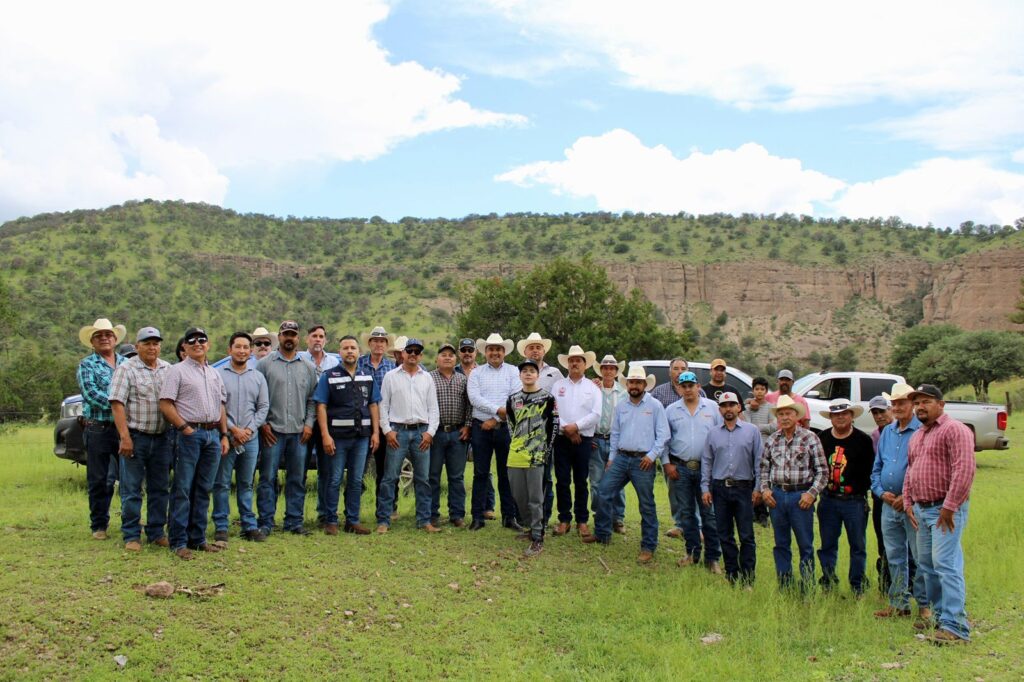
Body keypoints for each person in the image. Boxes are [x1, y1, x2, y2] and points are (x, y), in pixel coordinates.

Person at [903, 384, 975, 645]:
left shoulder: (955, 430)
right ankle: (940, 617)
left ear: (941, 404)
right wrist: (908, 501)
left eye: (926, 401)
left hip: (944, 510)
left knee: (946, 564)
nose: (920, 407)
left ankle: (956, 626)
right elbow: (911, 470)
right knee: (927, 566)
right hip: (922, 510)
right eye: (917, 403)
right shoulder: (918, 435)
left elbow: (964, 469)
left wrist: (950, 506)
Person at [584, 366, 669, 564]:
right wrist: (612, 458)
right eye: (632, 382)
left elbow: (664, 434)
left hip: (643, 461)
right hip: (621, 458)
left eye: (638, 382)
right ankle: (603, 533)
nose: (635, 386)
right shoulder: (621, 406)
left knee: (646, 504)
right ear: (627, 384)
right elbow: (615, 433)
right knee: (603, 491)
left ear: (645, 385)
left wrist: (652, 455)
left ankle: (648, 546)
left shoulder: (655, 406)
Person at [159, 326, 229, 560]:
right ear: (184, 347)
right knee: (183, 488)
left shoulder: (214, 373)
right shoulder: (177, 371)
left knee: (204, 488)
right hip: (189, 434)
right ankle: (178, 541)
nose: (197, 343)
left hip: (212, 434)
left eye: (202, 339)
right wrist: (184, 428)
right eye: (192, 341)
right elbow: (165, 403)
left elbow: (221, 405)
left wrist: (224, 434)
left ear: (208, 344)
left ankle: (197, 538)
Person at [108, 326, 171, 551]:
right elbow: (117, 404)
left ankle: (156, 532)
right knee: (132, 489)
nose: (152, 347)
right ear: (137, 346)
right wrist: (124, 437)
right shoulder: (126, 369)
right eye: (147, 343)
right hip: (136, 437)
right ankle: (132, 535)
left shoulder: (168, 369)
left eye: (155, 343)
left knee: (160, 488)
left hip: (162, 438)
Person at [872, 383, 929, 624]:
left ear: (912, 405)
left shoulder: (922, 431)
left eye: (902, 403)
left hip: (912, 505)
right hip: (888, 504)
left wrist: (907, 497)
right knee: (894, 555)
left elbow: (923, 470)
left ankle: (925, 605)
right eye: (894, 403)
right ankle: (899, 603)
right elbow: (877, 468)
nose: (897, 407)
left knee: (920, 555)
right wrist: (880, 492)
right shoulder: (887, 432)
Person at [256, 321, 318, 536]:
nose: (289, 338)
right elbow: (256, 397)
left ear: (297, 338)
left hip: (299, 432)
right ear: (279, 337)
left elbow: (312, 399)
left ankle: (294, 522)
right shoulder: (265, 364)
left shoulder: (308, 367)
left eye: (293, 334)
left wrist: (309, 424)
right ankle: (265, 522)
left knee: (297, 478)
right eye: (285, 334)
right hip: (272, 431)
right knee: (267, 478)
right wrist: (263, 424)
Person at [760, 395, 828, 589]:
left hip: (801, 496)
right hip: (777, 496)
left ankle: (807, 587)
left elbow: (823, 471)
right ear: (777, 418)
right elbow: (763, 469)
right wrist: (765, 490)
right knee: (781, 544)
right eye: (781, 414)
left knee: (805, 544)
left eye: (788, 413)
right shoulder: (772, 440)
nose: (784, 417)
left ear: (797, 415)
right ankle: (785, 585)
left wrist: (811, 493)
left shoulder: (810, 438)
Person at [314, 335, 379, 536]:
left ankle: (352, 521)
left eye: (353, 348)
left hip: (361, 438)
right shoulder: (329, 376)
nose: (349, 351)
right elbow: (321, 406)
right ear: (339, 352)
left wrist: (376, 433)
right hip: (337, 438)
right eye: (345, 348)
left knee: (356, 480)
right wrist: (325, 435)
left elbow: (373, 404)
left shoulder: (367, 376)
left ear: (359, 352)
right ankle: (331, 521)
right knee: (334, 479)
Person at [376, 338, 440, 533]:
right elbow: (383, 406)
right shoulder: (390, 376)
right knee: (390, 477)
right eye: (409, 351)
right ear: (402, 354)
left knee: (423, 479)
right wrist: (387, 431)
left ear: (421, 355)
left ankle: (424, 520)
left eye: (416, 351)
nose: (413, 354)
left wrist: (430, 432)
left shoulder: (427, 378)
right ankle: (384, 520)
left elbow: (433, 408)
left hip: (421, 432)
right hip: (398, 431)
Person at [701, 392, 762, 586]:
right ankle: (732, 574)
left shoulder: (752, 431)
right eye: (724, 405)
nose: (728, 409)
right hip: (720, 488)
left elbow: (759, 461)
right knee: (725, 534)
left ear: (739, 407)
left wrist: (758, 488)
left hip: (744, 488)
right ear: (719, 410)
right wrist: (705, 488)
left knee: (746, 535)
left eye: (732, 405)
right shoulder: (713, 433)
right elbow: (707, 461)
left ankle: (748, 578)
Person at [664, 371, 723, 572]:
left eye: (691, 385)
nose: (688, 389)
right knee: (686, 513)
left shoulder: (712, 408)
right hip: (680, 468)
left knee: (709, 514)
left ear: (698, 386)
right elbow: (664, 439)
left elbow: (721, 436)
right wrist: (667, 464)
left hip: (706, 469)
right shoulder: (671, 410)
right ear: (679, 388)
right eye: (684, 386)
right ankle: (692, 553)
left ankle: (713, 558)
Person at [214, 332, 269, 544]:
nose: (242, 351)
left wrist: (248, 430)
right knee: (222, 483)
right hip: (225, 437)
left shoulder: (258, 377)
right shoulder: (218, 374)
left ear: (251, 351)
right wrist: (233, 430)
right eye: (238, 347)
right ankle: (221, 526)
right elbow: (216, 405)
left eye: (246, 347)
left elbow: (263, 407)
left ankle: (249, 525)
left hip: (250, 439)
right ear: (230, 349)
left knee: (246, 483)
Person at [816, 399, 874, 594]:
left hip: (854, 501)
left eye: (844, 414)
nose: (840, 417)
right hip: (828, 499)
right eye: (836, 415)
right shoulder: (823, 438)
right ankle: (828, 582)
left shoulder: (863, 440)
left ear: (851, 416)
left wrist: (856, 488)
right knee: (827, 544)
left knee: (857, 545)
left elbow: (870, 472)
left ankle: (857, 585)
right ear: (831, 418)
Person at [76, 318, 127, 540]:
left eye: (108, 334)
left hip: (125, 428)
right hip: (99, 428)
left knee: (130, 477)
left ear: (115, 339)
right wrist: (120, 404)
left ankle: (130, 521)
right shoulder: (87, 365)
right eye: (99, 335)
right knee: (99, 478)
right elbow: (91, 394)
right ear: (92, 341)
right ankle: (99, 525)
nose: (104, 338)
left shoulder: (127, 363)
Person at [466, 334, 522, 530]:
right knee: (480, 473)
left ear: (504, 352)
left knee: (506, 473)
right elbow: (474, 398)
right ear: (485, 352)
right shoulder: (476, 373)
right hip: (481, 428)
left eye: (498, 349)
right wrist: (498, 411)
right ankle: (477, 517)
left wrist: (495, 419)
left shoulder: (513, 371)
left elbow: (516, 398)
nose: (495, 352)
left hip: (505, 428)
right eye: (491, 349)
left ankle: (509, 517)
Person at [505, 359, 556, 557]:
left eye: (532, 371)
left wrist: (546, 450)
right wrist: (519, 443)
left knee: (536, 498)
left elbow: (554, 425)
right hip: (516, 454)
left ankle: (537, 536)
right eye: (524, 371)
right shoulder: (513, 399)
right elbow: (511, 425)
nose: (528, 373)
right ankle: (530, 527)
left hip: (537, 455)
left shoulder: (548, 398)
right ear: (520, 375)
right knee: (519, 495)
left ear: (537, 375)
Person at [550, 345, 601, 539]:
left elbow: (596, 414)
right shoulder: (558, 386)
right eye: (571, 360)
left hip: (583, 440)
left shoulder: (592, 388)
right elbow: (552, 411)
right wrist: (568, 429)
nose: (574, 363)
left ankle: (582, 520)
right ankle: (564, 519)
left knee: (581, 481)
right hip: (562, 439)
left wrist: (577, 427)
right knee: (562, 480)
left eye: (578, 360)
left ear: (585, 364)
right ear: (567, 364)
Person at [650, 357, 702, 538]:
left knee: (698, 493)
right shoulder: (659, 392)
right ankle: (680, 525)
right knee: (675, 491)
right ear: (669, 371)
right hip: (673, 454)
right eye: (676, 368)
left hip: (697, 456)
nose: (679, 372)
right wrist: (664, 459)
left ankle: (698, 527)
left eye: (683, 368)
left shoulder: (701, 395)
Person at [517, 332, 563, 526]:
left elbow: (564, 395)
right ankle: (525, 518)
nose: (535, 350)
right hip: (523, 433)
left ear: (544, 351)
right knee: (523, 477)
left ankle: (543, 518)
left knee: (545, 477)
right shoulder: (519, 372)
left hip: (546, 432)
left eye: (538, 347)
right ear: (525, 351)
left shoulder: (555, 373)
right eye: (531, 347)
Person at [299, 324, 340, 528]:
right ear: (307, 339)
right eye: (314, 336)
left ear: (326, 340)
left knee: (326, 470)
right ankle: (296, 515)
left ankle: (324, 513)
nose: (317, 339)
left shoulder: (333, 362)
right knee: (299, 469)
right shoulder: (299, 359)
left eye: (321, 336)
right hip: (303, 422)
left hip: (327, 423)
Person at [428, 343, 472, 528]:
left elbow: (469, 405)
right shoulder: (428, 378)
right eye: (443, 354)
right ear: (437, 359)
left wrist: (468, 425)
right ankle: (431, 514)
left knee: (456, 477)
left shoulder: (463, 379)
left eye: (451, 355)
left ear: (456, 359)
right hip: (435, 433)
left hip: (457, 433)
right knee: (433, 476)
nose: (447, 357)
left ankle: (457, 514)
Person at [358, 326, 399, 517]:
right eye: (375, 340)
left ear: (387, 344)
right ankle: (353, 510)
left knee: (386, 469)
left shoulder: (392, 367)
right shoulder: (359, 364)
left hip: (385, 424)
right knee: (358, 468)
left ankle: (387, 508)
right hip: (361, 422)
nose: (379, 344)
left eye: (382, 341)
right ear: (370, 343)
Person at [455, 337, 496, 521]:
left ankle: (488, 506)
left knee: (484, 468)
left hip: (480, 423)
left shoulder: (483, 372)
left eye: (470, 350)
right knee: (458, 469)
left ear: (476, 353)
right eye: (463, 350)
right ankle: (459, 510)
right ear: (459, 353)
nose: (467, 353)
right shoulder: (453, 371)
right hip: (460, 426)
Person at [592, 355, 627, 534]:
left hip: (616, 441)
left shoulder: (623, 392)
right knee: (596, 481)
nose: (608, 371)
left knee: (617, 481)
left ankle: (618, 518)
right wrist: (589, 436)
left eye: (612, 368)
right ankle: (599, 514)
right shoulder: (593, 388)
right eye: (605, 368)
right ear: (601, 370)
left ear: (616, 371)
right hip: (596, 439)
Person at [868, 395, 895, 593]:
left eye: (882, 411)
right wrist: (879, 491)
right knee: (883, 539)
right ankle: (886, 583)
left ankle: (910, 584)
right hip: (880, 496)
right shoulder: (874, 436)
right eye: (875, 413)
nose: (879, 416)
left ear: (891, 410)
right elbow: (874, 468)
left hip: (903, 496)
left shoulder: (905, 431)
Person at [742, 376, 775, 526]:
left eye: (762, 389)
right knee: (751, 479)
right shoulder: (748, 407)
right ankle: (752, 511)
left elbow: (774, 427)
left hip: (766, 449)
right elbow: (746, 425)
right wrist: (764, 426)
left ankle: (763, 513)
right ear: (753, 390)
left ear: (766, 391)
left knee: (764, 479)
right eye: (757, 389)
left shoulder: (770, 408)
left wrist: (757, 427)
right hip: (750, 448)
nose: (759, 392)